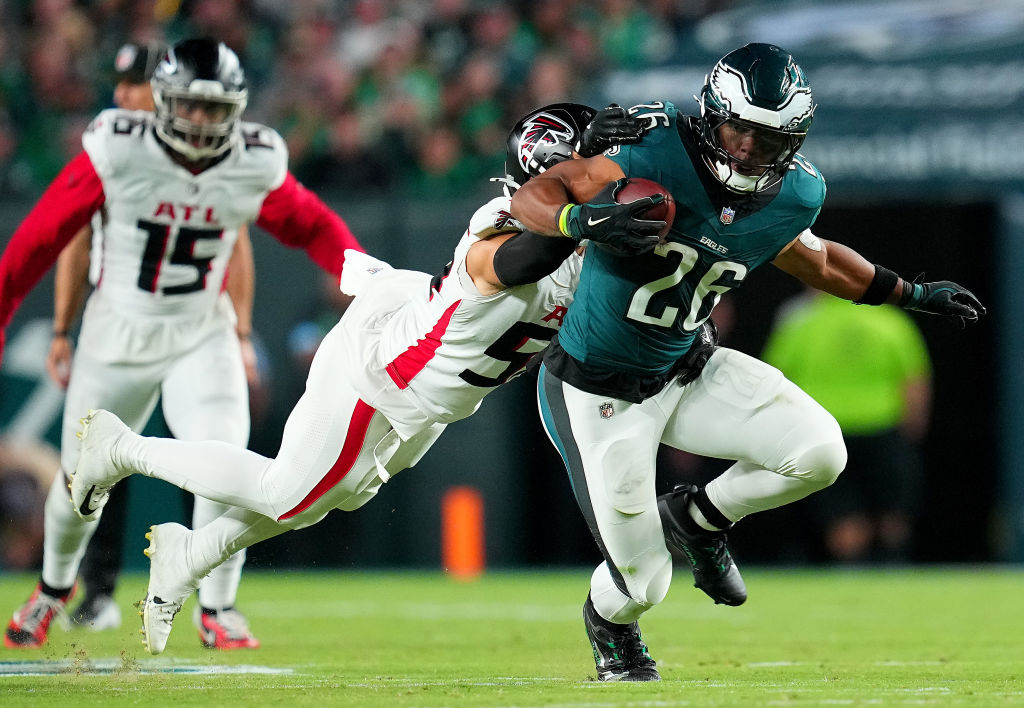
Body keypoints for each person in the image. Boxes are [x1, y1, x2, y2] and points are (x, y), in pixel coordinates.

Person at [65, 102, 648, 656]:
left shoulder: (589, 248)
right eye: (590, 168)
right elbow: (518, 262)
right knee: (288, 494)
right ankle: (120, 449)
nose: (607, 180)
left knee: (327, 498)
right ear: (550, 171)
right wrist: (584, 221)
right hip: (387, 371)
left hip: (430, 392)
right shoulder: (499, 226)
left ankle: (187, 557)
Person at [507, 42, 985, 681]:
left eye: (766, 139)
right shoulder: (652, 149)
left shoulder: (795, 193)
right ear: (710, 116)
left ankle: (698, 518)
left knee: (820, 452)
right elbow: (534, 195)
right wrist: (580, 220)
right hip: (598, 387)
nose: (745, 151)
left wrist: (911, 292)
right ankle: (611, 626)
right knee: (645, 583)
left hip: (688, 366)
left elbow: (815, 261)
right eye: (737, 131)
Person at [0, 37, 364, 649]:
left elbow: (310, 224)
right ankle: (54, 588)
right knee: (77, 480)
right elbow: (45, 236)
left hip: (203, 329)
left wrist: (361, 271)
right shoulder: (119, 146)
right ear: (165, 102)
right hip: (118, 327)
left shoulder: (253, 158)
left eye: (215, 108)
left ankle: (216, 607)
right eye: (190, 106)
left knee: (227, 459)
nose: (201, 121)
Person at [762, 290, 932, 563]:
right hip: (883, 427)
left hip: (825, 431)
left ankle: (852, 574)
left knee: (842, 516)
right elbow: (914, 379)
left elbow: (776, 381)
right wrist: (913, 427)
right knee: (892, 513)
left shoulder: (803, 323)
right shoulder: (890, 320)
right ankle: (894, 567)